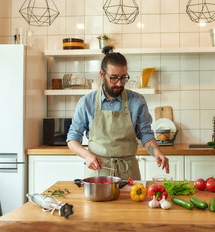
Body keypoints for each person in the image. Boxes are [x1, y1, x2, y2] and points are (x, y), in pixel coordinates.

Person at [67, 46, 169, 180]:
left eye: (123, 78)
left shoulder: (137, 101)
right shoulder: (86, 102)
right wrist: (87, 155)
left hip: (128, 174)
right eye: (114, 78)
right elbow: (72, 139)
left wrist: (156, 152)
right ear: (102, 75)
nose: (119, 83)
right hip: (98, 173)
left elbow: (145, 135)